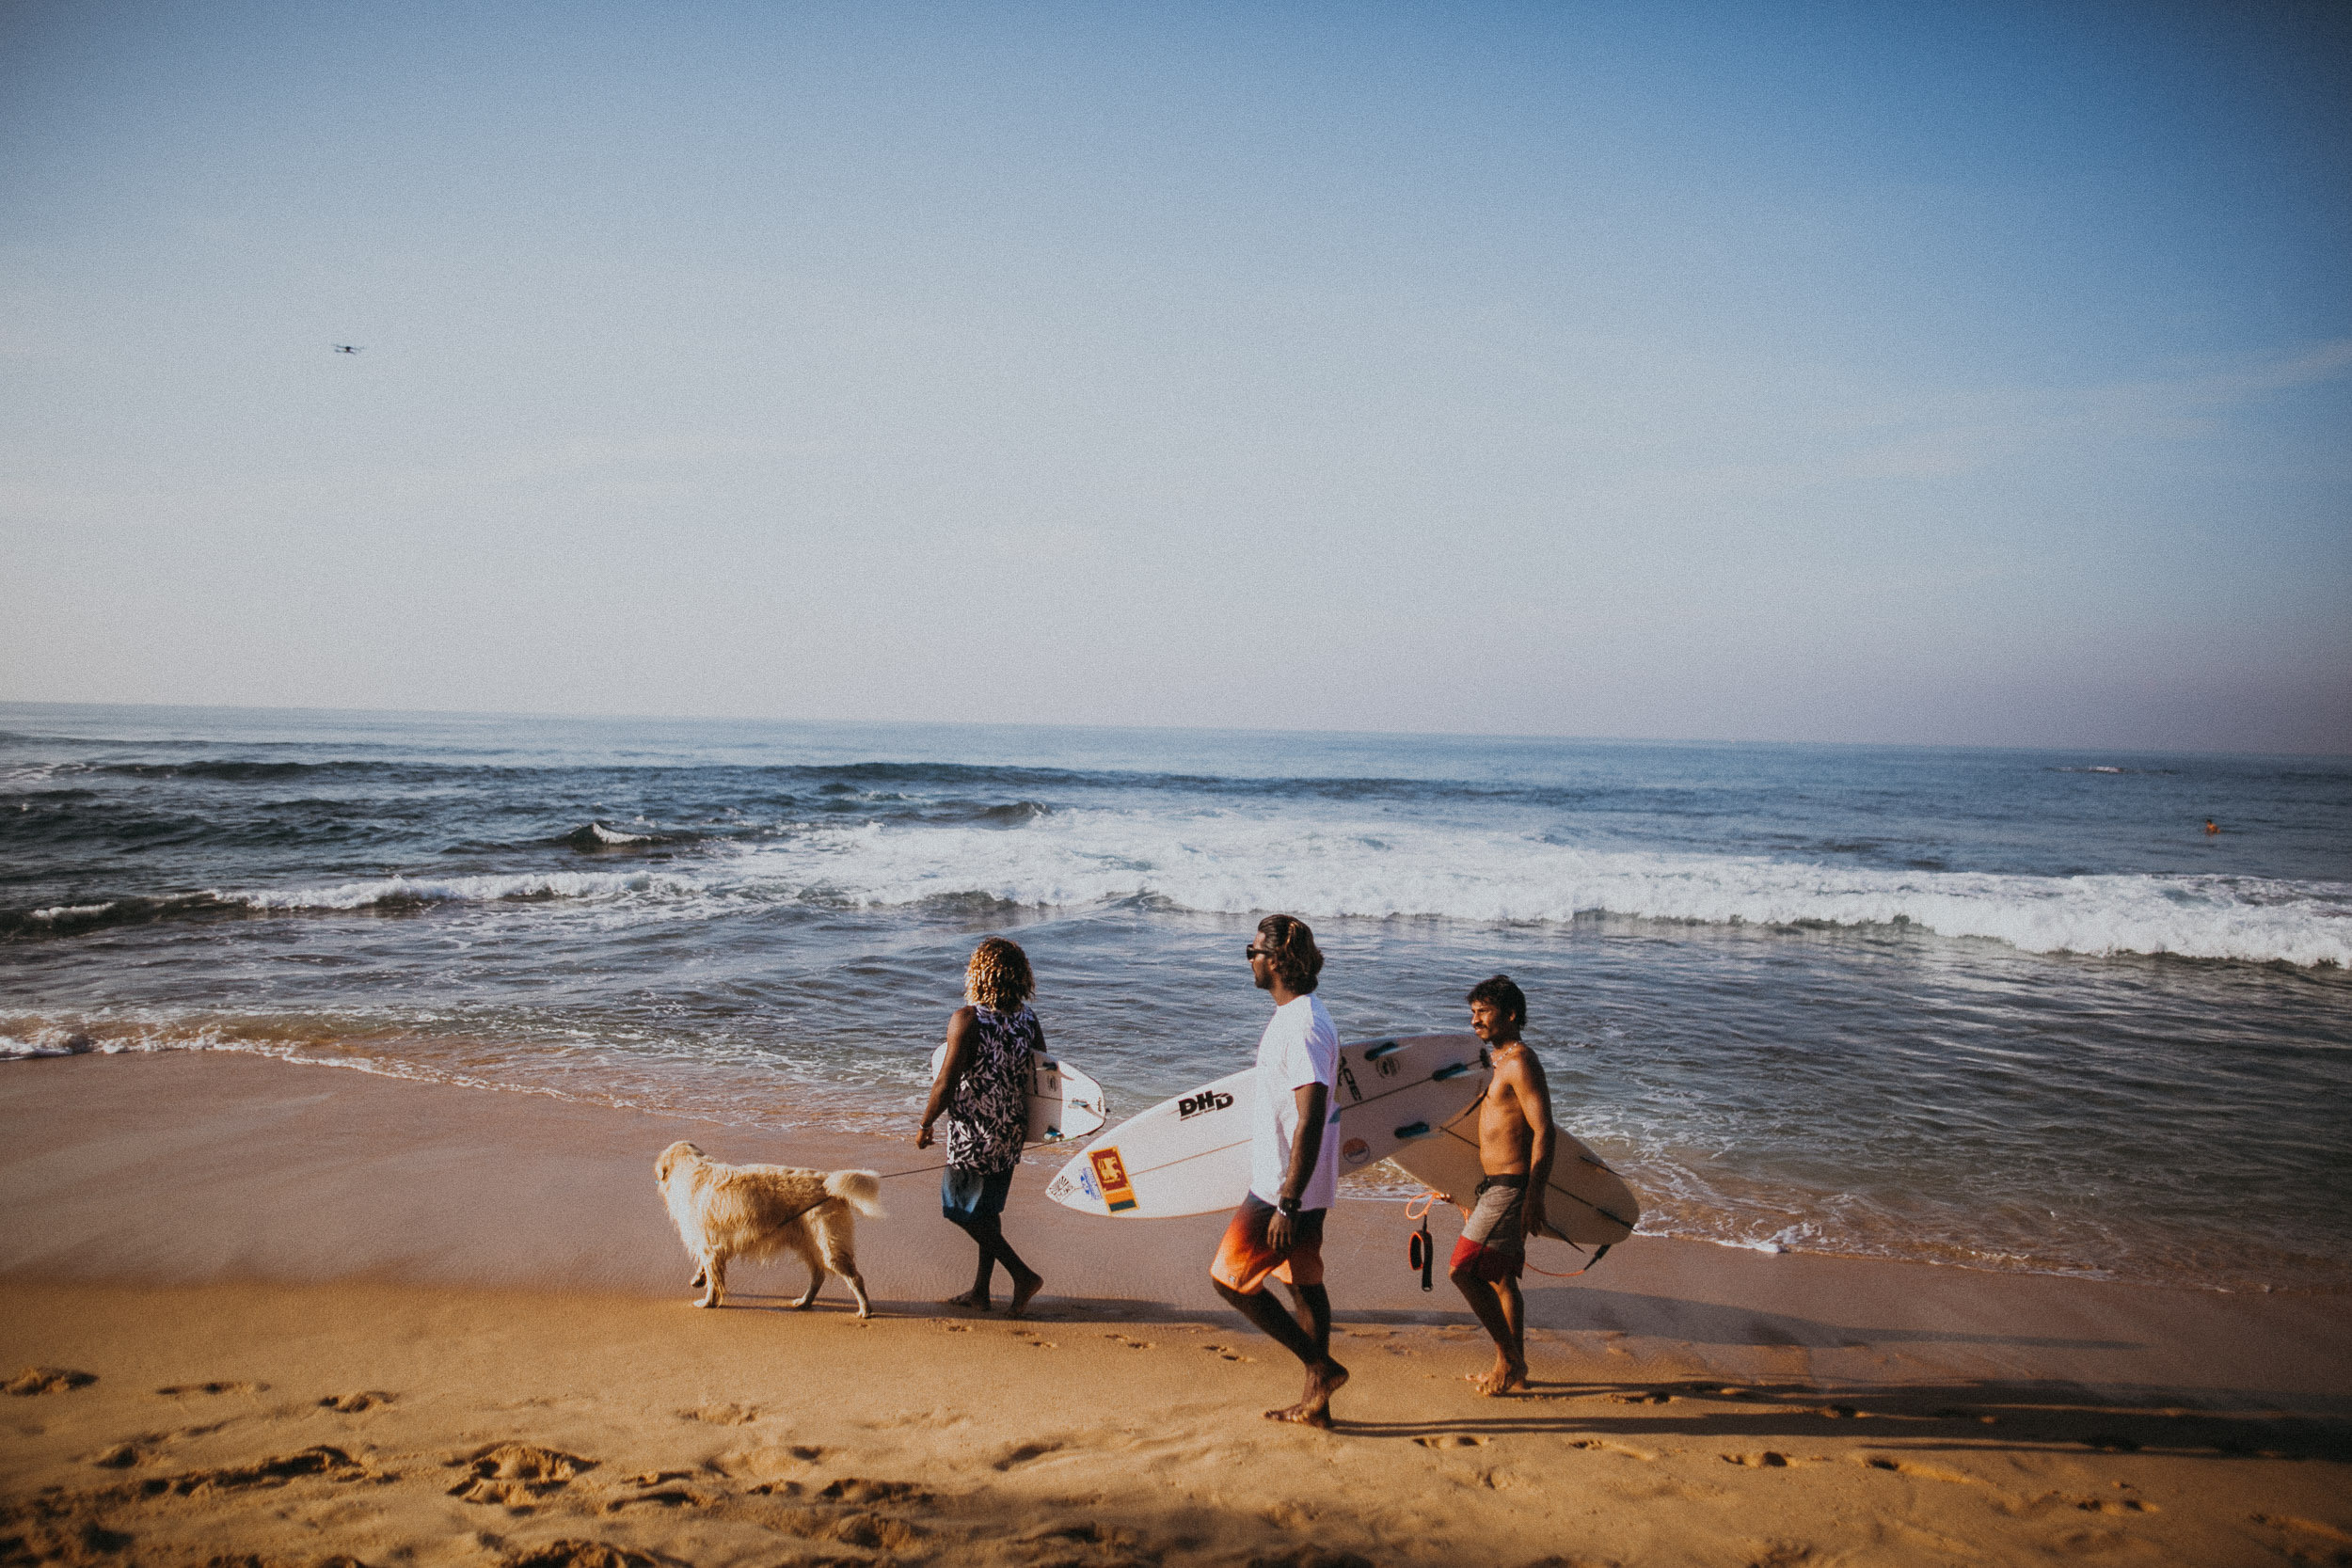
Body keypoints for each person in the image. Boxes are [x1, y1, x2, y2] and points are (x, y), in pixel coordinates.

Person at [1208, 913, 1349, 1427]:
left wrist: (1287, 1198)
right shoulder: (1303, 1016)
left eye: (1252, 952)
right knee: (1302, 1281)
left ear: (1274, 961)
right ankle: (1319, 1405)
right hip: (1303, 1184)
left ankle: (1321, 1367)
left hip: (1284, 1188)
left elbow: (1312, 1114)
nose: (1249, 961)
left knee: (1229, 1280)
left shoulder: (1305, 1025)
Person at [917, 937, 1045, 1317]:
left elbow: (945, 1081)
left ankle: (1022, 1276)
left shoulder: (968, 1019)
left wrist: (925, 1124)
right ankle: (980, 1292)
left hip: (974, 1132)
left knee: (959, 1209)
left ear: (979, 974)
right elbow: (1040, 1077)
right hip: (1010, 1129)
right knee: (987, 1211)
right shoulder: (1027, 1020)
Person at [1446, 974, 1556, 1397]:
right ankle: (1512, 1368)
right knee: (1502, 1280)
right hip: (1490, 1185)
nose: (1475, 1021)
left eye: (1484, 1012)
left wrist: (1534, 1195)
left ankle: (1510, 1358)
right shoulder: (1493, 1062)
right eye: (1472, 1013)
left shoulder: (1520, 1062)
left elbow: (1544, 1132)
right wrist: (1452, 1182)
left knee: (1462, 1270)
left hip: (1511, 1187)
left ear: (1510, 1015)